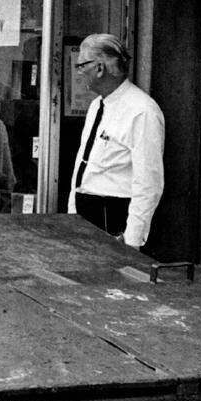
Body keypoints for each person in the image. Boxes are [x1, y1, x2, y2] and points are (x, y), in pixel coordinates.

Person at [67, 33, 164, 249]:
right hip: (86, 216)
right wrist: (73, 216)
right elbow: (84, 166)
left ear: (100, 68)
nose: (79, 73)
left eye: (82, 65)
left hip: (113, 218)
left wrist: (132, 241)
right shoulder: (96, 107)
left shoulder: (142, 111)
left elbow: (148, 183)